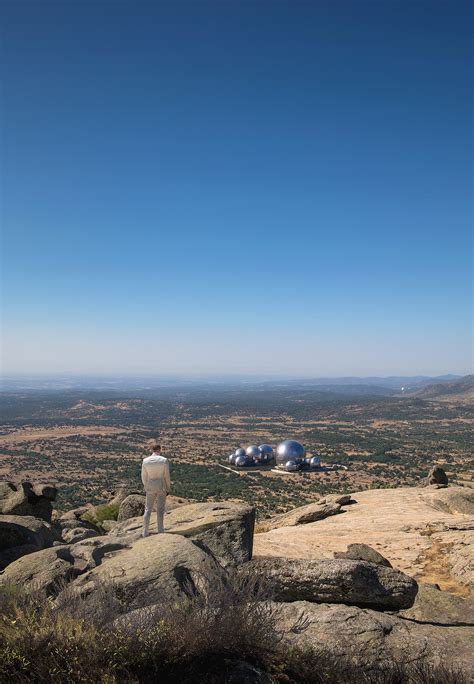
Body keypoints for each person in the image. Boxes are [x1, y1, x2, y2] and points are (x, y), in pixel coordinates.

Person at [141, 443, 171, 537]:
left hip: (150, 486)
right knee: (160, 509)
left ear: (152, 450)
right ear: (160, 449)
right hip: (161, 486)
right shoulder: (164, 460)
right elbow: (167, 476)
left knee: (148, 509)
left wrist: (146, 486)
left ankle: (145, 531)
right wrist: (168, 487)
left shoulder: (145, 461)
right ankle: (160, 530)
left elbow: (143, 476)